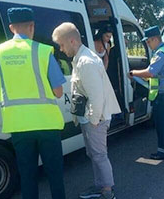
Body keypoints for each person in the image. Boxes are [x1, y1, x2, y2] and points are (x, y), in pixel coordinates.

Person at [0, 7, 66, 199]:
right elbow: (58, 92)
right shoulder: (42, 51)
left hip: (18, 126)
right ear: (32, 26)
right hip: (47, 125)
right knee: (55, 175)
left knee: (27, 176)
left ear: (11, 27)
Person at [52, 22, 121, 199]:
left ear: (72, 41)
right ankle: (100, 187)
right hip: (90, 118)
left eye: (62, 44)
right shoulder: (80, 58)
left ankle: (107, 192)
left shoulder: (85, 62)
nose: (60, 49)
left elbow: (96, 97)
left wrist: (93, 121)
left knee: (99, 155)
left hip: (94, 119)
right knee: (95, 154)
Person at [128, 26, 164, 160]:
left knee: (162, 125)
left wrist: (133, 73)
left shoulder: (160, 54)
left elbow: (150, 72)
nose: (147, 44)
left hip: (162, 96)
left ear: (156, 39)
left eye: (149, 41)